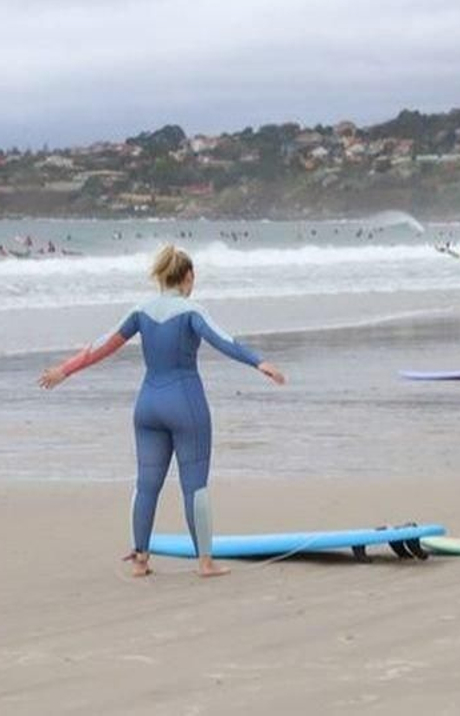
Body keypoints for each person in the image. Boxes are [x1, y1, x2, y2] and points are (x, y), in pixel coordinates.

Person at [38, 245, 286, 578]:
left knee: (146, 483)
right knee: (194, 484)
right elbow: (224, 341)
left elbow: (102, 346)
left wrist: (64, 371)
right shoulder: (192, 310)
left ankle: (140, 560)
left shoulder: (140, 310)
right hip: (185, 404)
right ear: (188, 277)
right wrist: (260, 362)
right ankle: (205, 562)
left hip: (148, 406)